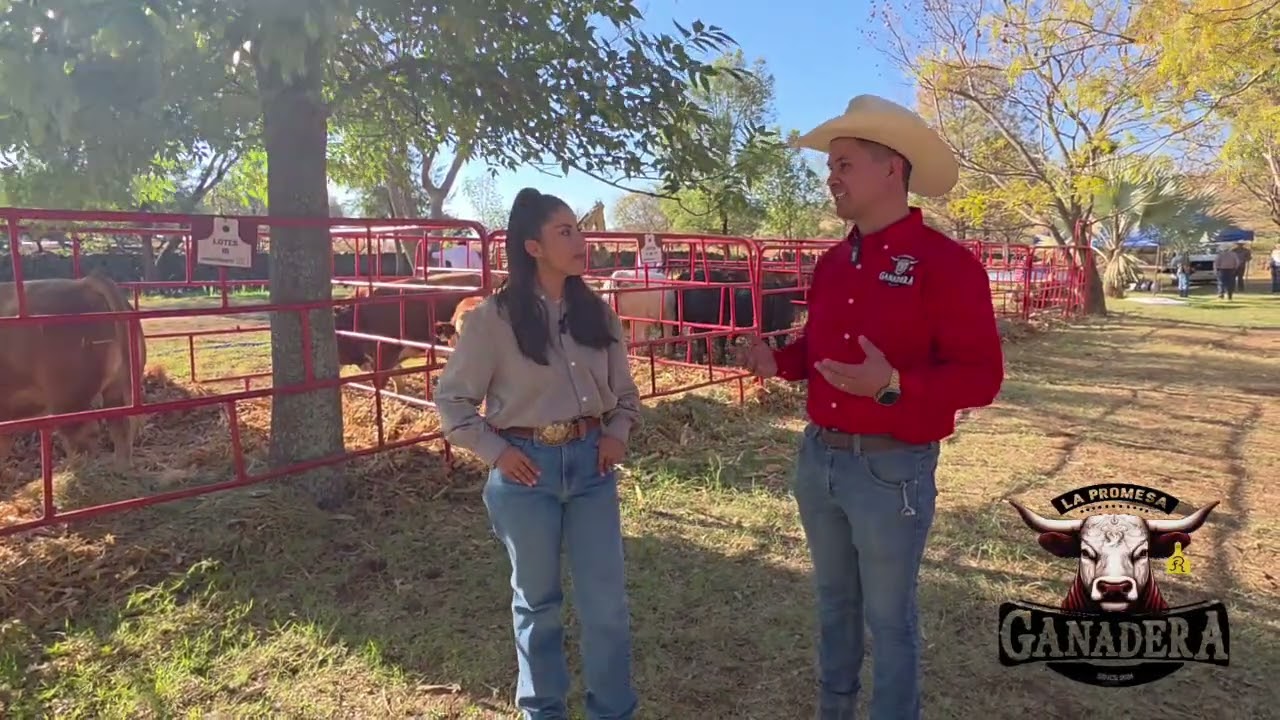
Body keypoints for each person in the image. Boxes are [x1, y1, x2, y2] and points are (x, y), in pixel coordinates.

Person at [739, 95, 1004, 720]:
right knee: (834, 603)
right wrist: (778, 362)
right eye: (830, 166)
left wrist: (893, 386)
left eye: (845, 164)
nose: (831, 177)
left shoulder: (948, 265)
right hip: (820, 459)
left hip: (893, 469)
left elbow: (982, 378)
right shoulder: (833, 264)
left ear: (892, 169)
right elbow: (822, 350)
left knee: (889, 618)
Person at [435, 188, 641, 720]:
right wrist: (497, 451)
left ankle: (612, 711)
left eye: (579, 229)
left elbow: (625, 395)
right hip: (526, 471)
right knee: (536, 603)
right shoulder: (492, 320)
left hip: (593, 467)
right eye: (565, 232)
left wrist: (616, 433)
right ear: (532, 247)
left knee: (606, 605)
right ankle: (543, 711)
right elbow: (453, 401)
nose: (581, 240)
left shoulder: (599, 315)